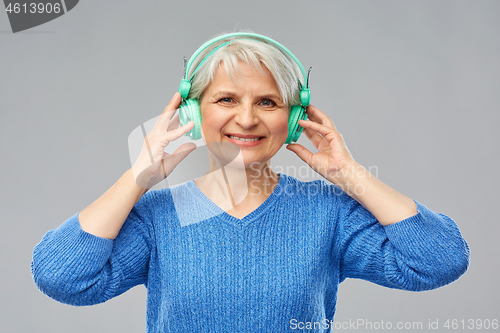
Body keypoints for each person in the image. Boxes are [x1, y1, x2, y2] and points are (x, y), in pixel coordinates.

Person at [31, 32, 470, 332]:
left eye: (267, 101)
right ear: (192, 113)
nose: (246, 118)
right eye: (226, 99)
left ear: (294, 118)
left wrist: (350, 176)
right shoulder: (158, 218)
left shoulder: (328, 213)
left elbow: (440, 260)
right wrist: (138, 178)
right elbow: (61, 277)